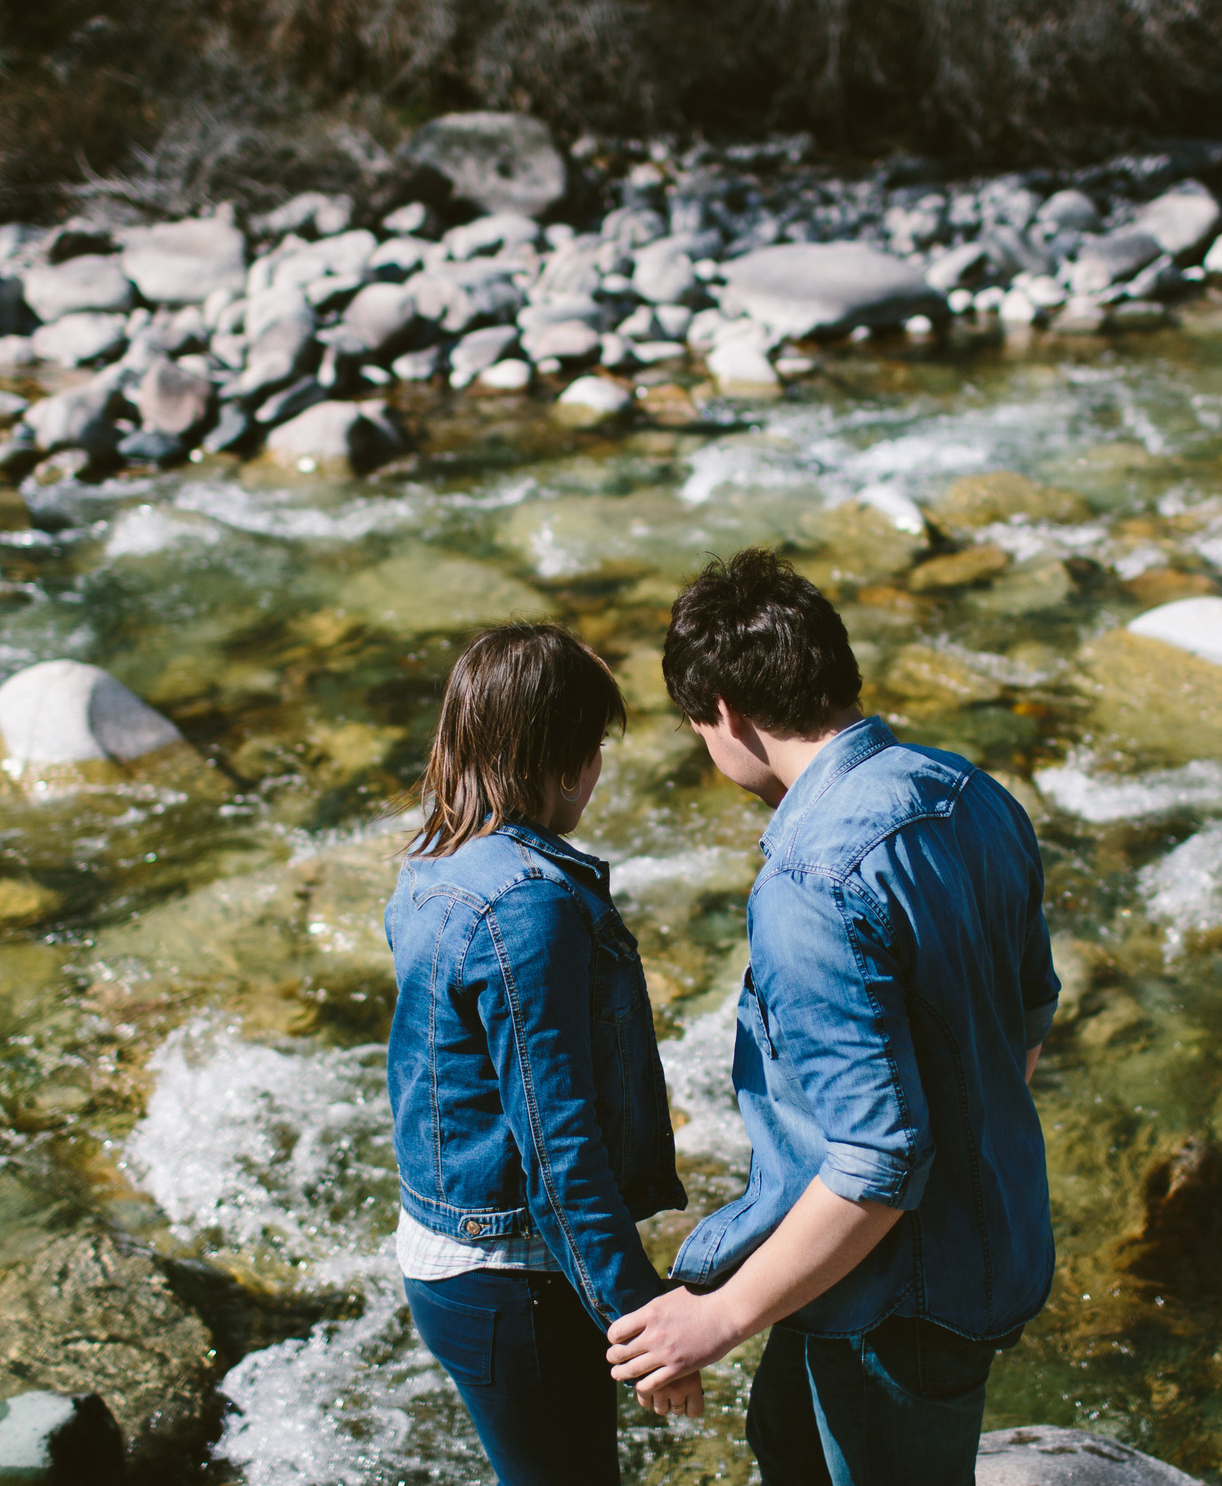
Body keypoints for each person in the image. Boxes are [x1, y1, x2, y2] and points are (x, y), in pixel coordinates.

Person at [604, 548, 1060, 1486]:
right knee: (786, 1437)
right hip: (981, 1245)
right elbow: (1030, 1014)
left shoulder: (809, 883)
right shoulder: (973, 795)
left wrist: (715, 1318)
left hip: (896, 1298)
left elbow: (880, 1163)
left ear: (726, 712)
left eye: (698, 726)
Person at [383, 622, 699, 1486]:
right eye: (594, 749)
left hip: (452, 1258)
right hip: (513, 1277)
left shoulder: (432, 863)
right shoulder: (529, 904)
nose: (597, 770)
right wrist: (642, 1320)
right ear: (565, 764)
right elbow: (560, 1152)